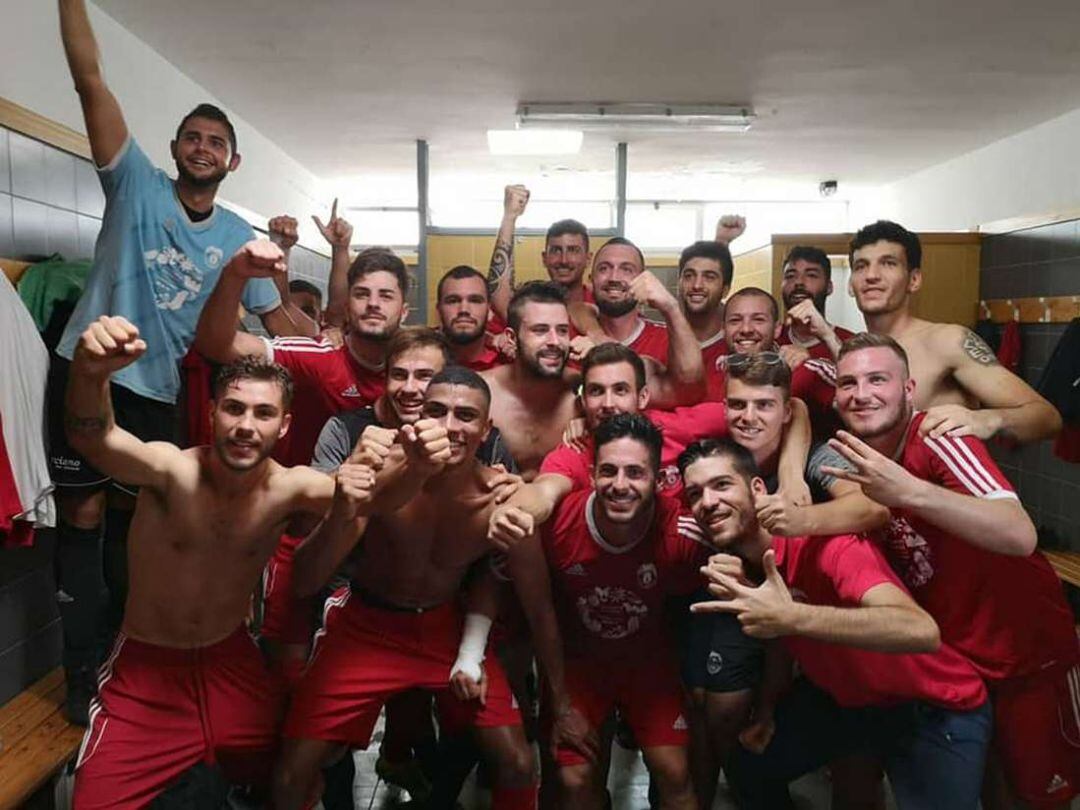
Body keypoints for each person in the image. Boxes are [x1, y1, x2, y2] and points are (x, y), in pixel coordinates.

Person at [50, 0, 313, 723]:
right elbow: (90, 82)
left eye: (216, 141)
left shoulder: (237, 233)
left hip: (164, 394)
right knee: (82, 511)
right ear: (174, 147)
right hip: (88, 370)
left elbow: (280, 327)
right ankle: (78, 673)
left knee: (139, 523)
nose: (202, 148)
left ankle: (121, 655)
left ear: (234, 160)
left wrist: (300, 286)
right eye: (192, 137)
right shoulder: (134, 184)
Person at [277, 367, 590, 810]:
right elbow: (305, 579)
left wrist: (560, 705)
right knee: (293, 771)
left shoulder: (499, 498)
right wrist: (348, 505)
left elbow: (538, 609)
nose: (449, 427)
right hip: (366, 625)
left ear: (486, 430)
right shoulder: (381, 473)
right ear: (416, 419)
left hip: (445, 625)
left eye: (466, 416)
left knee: (519, 763)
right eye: (436, 411)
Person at [64, 316, 336, 808]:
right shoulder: (171, 471)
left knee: (297, 772)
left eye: (262, 413)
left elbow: (373, 499)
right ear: (211, 413)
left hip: (231, 660)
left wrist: (407, 458)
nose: (246, 427)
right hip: (147, 668)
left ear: (285, 424)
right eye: (233, 409)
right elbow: (95, 438)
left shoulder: (293, 488)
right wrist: (89, 373)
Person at [827, 332, 1080, 808]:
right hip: (960, 659)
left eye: (878, 379)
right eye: (849, 383)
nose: (862, 393)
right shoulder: (861, 458)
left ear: (908, 389)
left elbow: (1019, 532)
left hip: (1027, 654)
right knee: (991, 789)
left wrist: (910, 492)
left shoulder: (937, 438)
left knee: (1040, 794)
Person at [682, 438, 993, 809]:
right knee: (749, 766)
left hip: (932, 707)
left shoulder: (829, 545)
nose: (709, 502)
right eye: (695, 494)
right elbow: (782, 639)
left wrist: (794, 616)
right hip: (849, 702)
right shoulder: (747, 567)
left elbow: (920, 630)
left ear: (758, 489)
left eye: (721, 485)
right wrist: (766, 709)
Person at [507, 414, 704, 809]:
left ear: (656, 477)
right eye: (609, 471)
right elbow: (541, 614)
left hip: (649, 664)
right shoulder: (558, 524)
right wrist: (560, 703)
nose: (620, 485)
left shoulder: (680, 532)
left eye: (636, 473)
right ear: (593, 473)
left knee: (675, 772)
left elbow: (697, 606)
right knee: (574, 779)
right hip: (578, 665)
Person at [848, 220, 1061, 443]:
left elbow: (1047, 417)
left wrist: (986, 419)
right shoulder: (855, 354)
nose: (871, 275)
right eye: (861, 266)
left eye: (888, 263)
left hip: (934, 477)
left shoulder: (947, 342)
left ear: (914, 280)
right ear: (850, 285)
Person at [481, 282, 581, 479]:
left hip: (566, 505)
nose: (554, 341)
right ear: (511, 338)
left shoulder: (583, 390)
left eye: (562, 330)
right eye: (540, 330)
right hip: (500, 505)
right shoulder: (484, 393)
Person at [718, 287, 839, 439]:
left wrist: (828, 335)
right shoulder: (713, 370)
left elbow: (860, 394)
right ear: (723, 329)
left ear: (777, 329)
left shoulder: (806, 369)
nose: (746, 329)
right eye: (735, 320)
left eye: (758, 320)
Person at [777, 245, 856, 361]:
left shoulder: (850, 342)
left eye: (811, 275)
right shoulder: (771, 338)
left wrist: (828, 337)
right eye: (790, 275)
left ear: (829, 287)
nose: (799, 282)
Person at [677, 240, 733, 400]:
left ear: (725, 290)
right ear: (679, 282)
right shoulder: (661, 340)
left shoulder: (737, 345)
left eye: (709, 277)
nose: (697, 285)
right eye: (689, 276)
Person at [436, 265, 509, 371]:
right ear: (439, 309)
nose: (464, 310)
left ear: (489, 309)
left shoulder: (508, 363)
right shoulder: (421, 361)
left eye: (475, 300)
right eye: (453, 301)